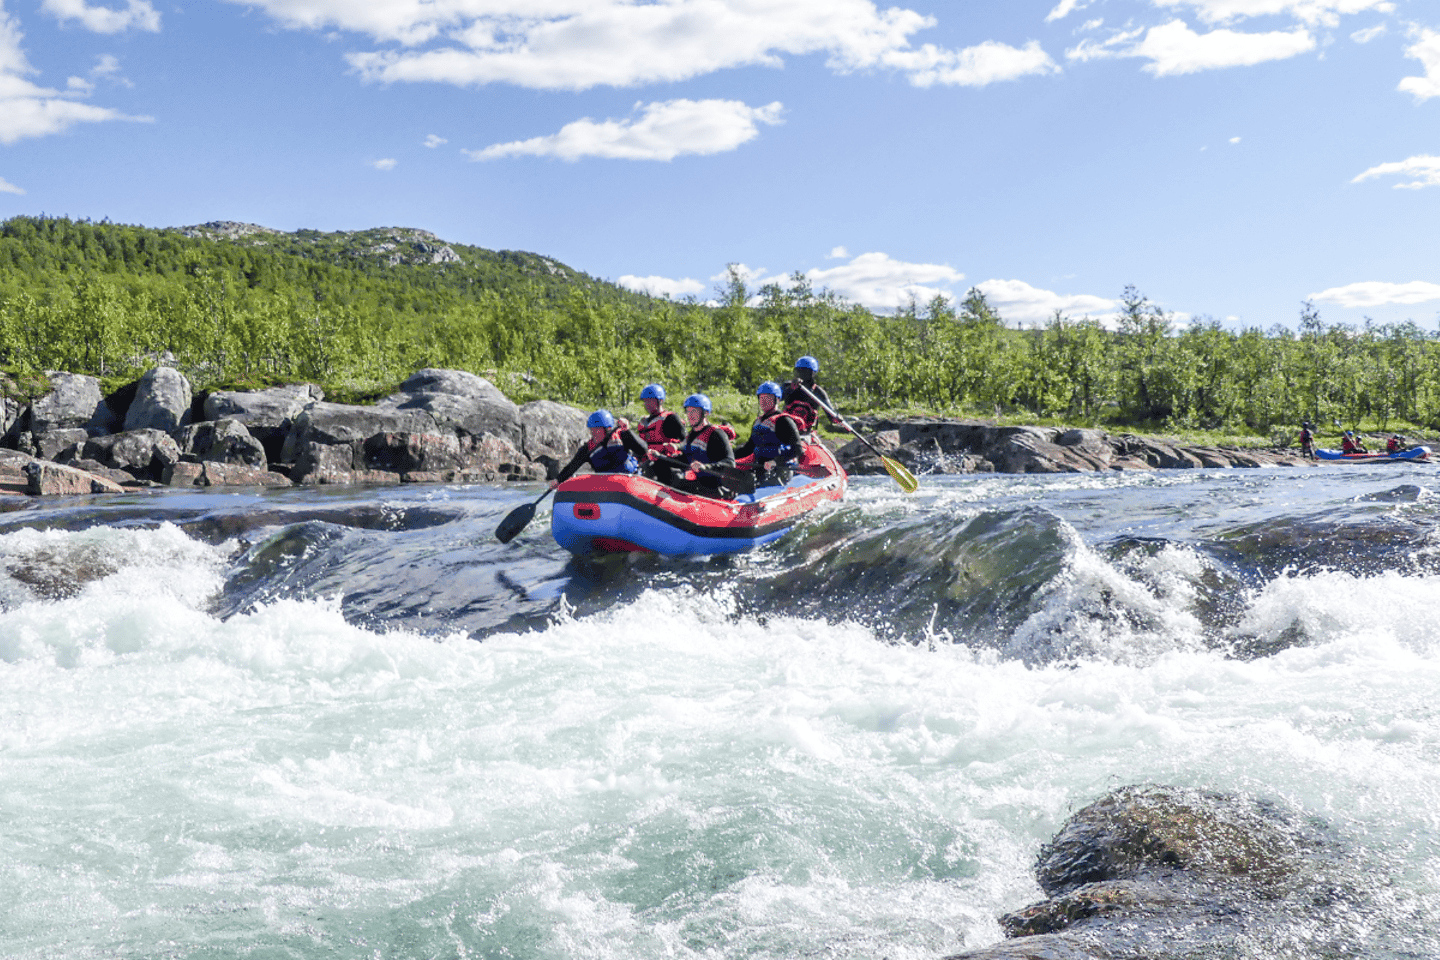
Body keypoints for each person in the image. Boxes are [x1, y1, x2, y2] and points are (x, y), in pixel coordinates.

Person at [649, 393, 735, 497]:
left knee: (679, 482)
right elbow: (685, 458)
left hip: (714, 486)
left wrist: (706, 467)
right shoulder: (691, 435)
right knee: (660, 468)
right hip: (697, 483)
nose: (690, 415)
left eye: (694, 411)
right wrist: (659, 457)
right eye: (688, 411)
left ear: (705, 413)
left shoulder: (716, 434)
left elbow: (730, 463)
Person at [549, 409, 647, 488]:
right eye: (592, 429)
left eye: (597, 429)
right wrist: (557, 480)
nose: (593, 432)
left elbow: (643, 450)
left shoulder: (622, 435)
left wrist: (628, 431)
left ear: (607, 429)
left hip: (630, 481)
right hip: (608, 486)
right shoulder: (587, 449)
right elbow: (572, 467)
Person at [734, 381, 801, 486]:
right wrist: (728, 455)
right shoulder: (758, 422)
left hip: (780, 470)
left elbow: (797, 449)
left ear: (777, 400)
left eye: (768, 398)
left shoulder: (784, 421)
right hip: (760, 467)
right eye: (761, 398)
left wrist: (775, 462)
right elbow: (748, 448)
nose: (763, 401)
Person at [782, 355, 850, 435]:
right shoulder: (787, 386)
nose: (802, 374)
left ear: (813, 373)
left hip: (806, 432)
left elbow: (831, 415)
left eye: (805, 371)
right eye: (799, 371)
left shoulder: (818, 392)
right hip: (786, 429)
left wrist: (838, 419)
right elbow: (776, 400)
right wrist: (791, 389)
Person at [634, 383, 684, 466]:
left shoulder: (671, 418)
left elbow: (687, 441)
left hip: (665, 461)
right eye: (645, 401)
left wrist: (676, 446)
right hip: (645, 462)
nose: (647, 404)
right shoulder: (643, 421)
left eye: (650, 400)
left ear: (660, 401)